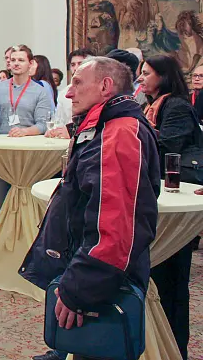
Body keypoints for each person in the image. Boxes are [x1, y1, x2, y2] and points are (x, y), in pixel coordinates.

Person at [22, 57, 159, 360]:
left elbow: (114, 228)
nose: (68, 92)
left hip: (99, 280)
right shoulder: (105, 127)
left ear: (105, 86)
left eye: (77, 82)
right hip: (92, 274)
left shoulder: (118, 134)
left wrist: (80, 289)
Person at [138, 54, 202, 359]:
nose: (141, 78)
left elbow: (168, 146)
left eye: (146, 73)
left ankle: (175, 348)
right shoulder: (146, 106)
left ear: (163, 76)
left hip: (177, 195)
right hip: (157, 194)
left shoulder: (176, 105)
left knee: (173, 281)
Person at [0, 45, 53, 216]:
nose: (16, 63)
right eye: (13, 60)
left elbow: (43, 125)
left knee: (26, 202)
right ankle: (2, 240)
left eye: (21, 60)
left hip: (28, 153)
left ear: (30, 64)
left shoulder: (40, 91)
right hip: (1, 153)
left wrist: (25, 132)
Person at [53, 48, 94, 128]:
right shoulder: (64, 93)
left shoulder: (98, 91)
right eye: (73, 65)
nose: (76, 68)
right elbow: (58, 121)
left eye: (80, 63)